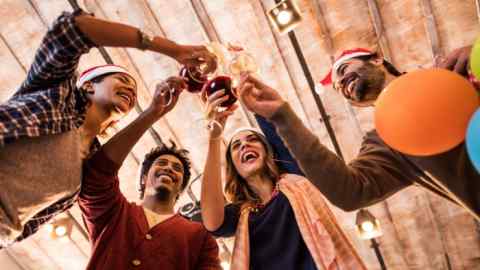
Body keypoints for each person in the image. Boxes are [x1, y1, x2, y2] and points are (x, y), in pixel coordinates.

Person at [0, 9, 217, 247]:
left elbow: (30, 222)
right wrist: (175, 50)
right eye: (123, 80)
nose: (130, 91)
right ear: (90, 86)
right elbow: (72, 28)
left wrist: (153, 112)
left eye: (134, 92)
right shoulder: (56, 95)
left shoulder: (87, 169)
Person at [237, 46, 480, 223]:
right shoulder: (384, 142)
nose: (342, 82)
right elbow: (350, 192)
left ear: (376, 58)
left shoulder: (450, 70)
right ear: (357, 105)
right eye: (339, 87)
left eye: (343, 70)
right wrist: (282, 116)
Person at [199, 90, 366, 270]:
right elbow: (212, 223)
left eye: (252, 139)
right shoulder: (240, 213)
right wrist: (215, 137)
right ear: (234, 168)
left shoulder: (295, 178)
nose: (245, 145)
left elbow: (280, 136)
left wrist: (251, 101)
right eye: (236, 146)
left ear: (267, 151)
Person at [79, 76, 220, 269]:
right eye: (162, 163)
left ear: (180, 188)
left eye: (177, 168)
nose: (169, 168)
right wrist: (152, 113)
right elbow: (95, 176)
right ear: (144, 178)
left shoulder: (199, 237)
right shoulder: (114, 211)